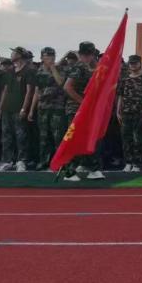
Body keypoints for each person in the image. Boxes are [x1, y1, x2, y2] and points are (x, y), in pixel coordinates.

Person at [62, 41, 104, 181]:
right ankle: (69, 172)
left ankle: (91, 168)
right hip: (76, 109)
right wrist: (83, 102)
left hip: (89, 110)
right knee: (74, 139)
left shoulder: (95, 67)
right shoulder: (79, 67)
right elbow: (67, 87)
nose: (88, 57)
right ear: (80, 55)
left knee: (91, 139)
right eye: (85, 54)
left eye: (90, 54)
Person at [0, 48, 36, 172]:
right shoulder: (9, 71)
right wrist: (0, 108)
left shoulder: (28, 71)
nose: (11, 55)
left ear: (19, 55)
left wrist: (24, 108)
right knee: (6, 136)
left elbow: (29, 92)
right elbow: (5, 90)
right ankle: (7, 161)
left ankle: (21, 161)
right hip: (7, 108)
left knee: (21, 136)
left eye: (14, 53)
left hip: (19, 108)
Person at [29, 47, 67, 171]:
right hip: (43, 108)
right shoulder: (38, 72)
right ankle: (44, 161)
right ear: (42, 57)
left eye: (52, 55)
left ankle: (60, 161)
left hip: (57, 108)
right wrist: (31, 110)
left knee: (58, 136)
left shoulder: (60, 69)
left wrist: (53, 68)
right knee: (44, 136)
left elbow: (61, 83)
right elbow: (37, 92)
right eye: (48, 56)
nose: (51, 58)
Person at [116, 55, 142, 172]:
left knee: (138, 139)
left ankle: (137, 163)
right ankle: (128, 162)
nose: (133, 65)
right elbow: (120, 96)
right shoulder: (124, 79)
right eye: (131, 63)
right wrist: (118, 111)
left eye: (135, 63)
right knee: (126, 139)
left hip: (139, 113)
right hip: (126, 113)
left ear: (140, 64)